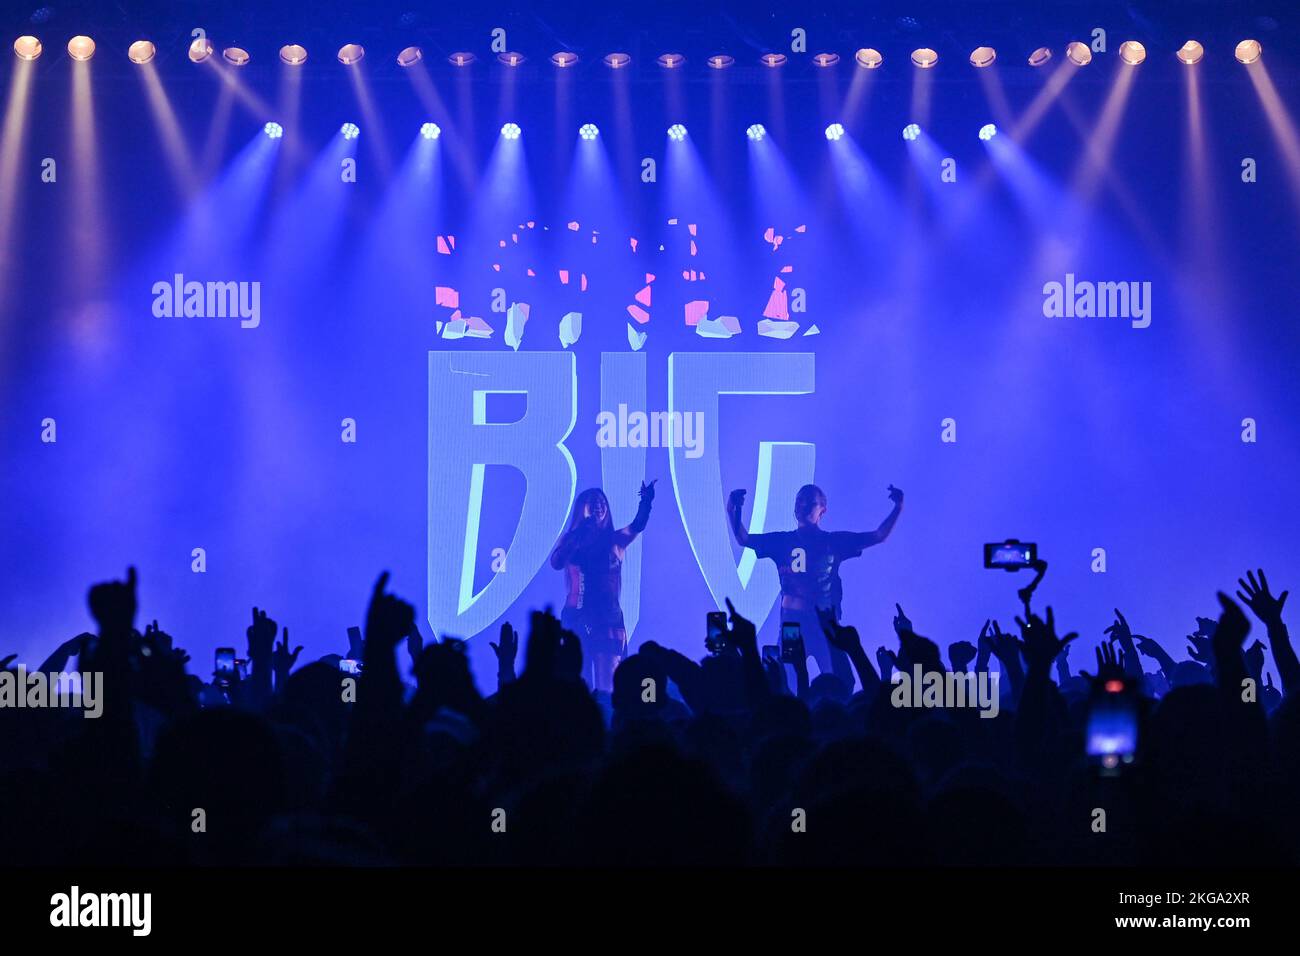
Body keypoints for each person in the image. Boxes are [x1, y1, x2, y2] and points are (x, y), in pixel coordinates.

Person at [726, 483, 904, 686]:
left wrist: (897, 508)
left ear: (822, 510)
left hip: (824, 625)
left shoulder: (833, 542)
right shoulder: (782, 541)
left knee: (840, 682)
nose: (802, 506)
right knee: (789, 682)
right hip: (792, 623)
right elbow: (743, 538)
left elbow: (878, 536)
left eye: (809, 502)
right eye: (799, 501)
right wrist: (732, 509)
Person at [549, 481, 656, 692]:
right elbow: (556, 562)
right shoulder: (572, 540)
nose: (599, 506)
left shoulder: (615, 540)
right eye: (593, 503)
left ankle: (606, 720)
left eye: (602, 503)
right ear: (582, 508)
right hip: (576, 616)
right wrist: (579, 535)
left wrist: (646, 502)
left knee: (607, 685)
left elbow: (637, 525)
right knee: (578, 683)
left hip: (607, 619)